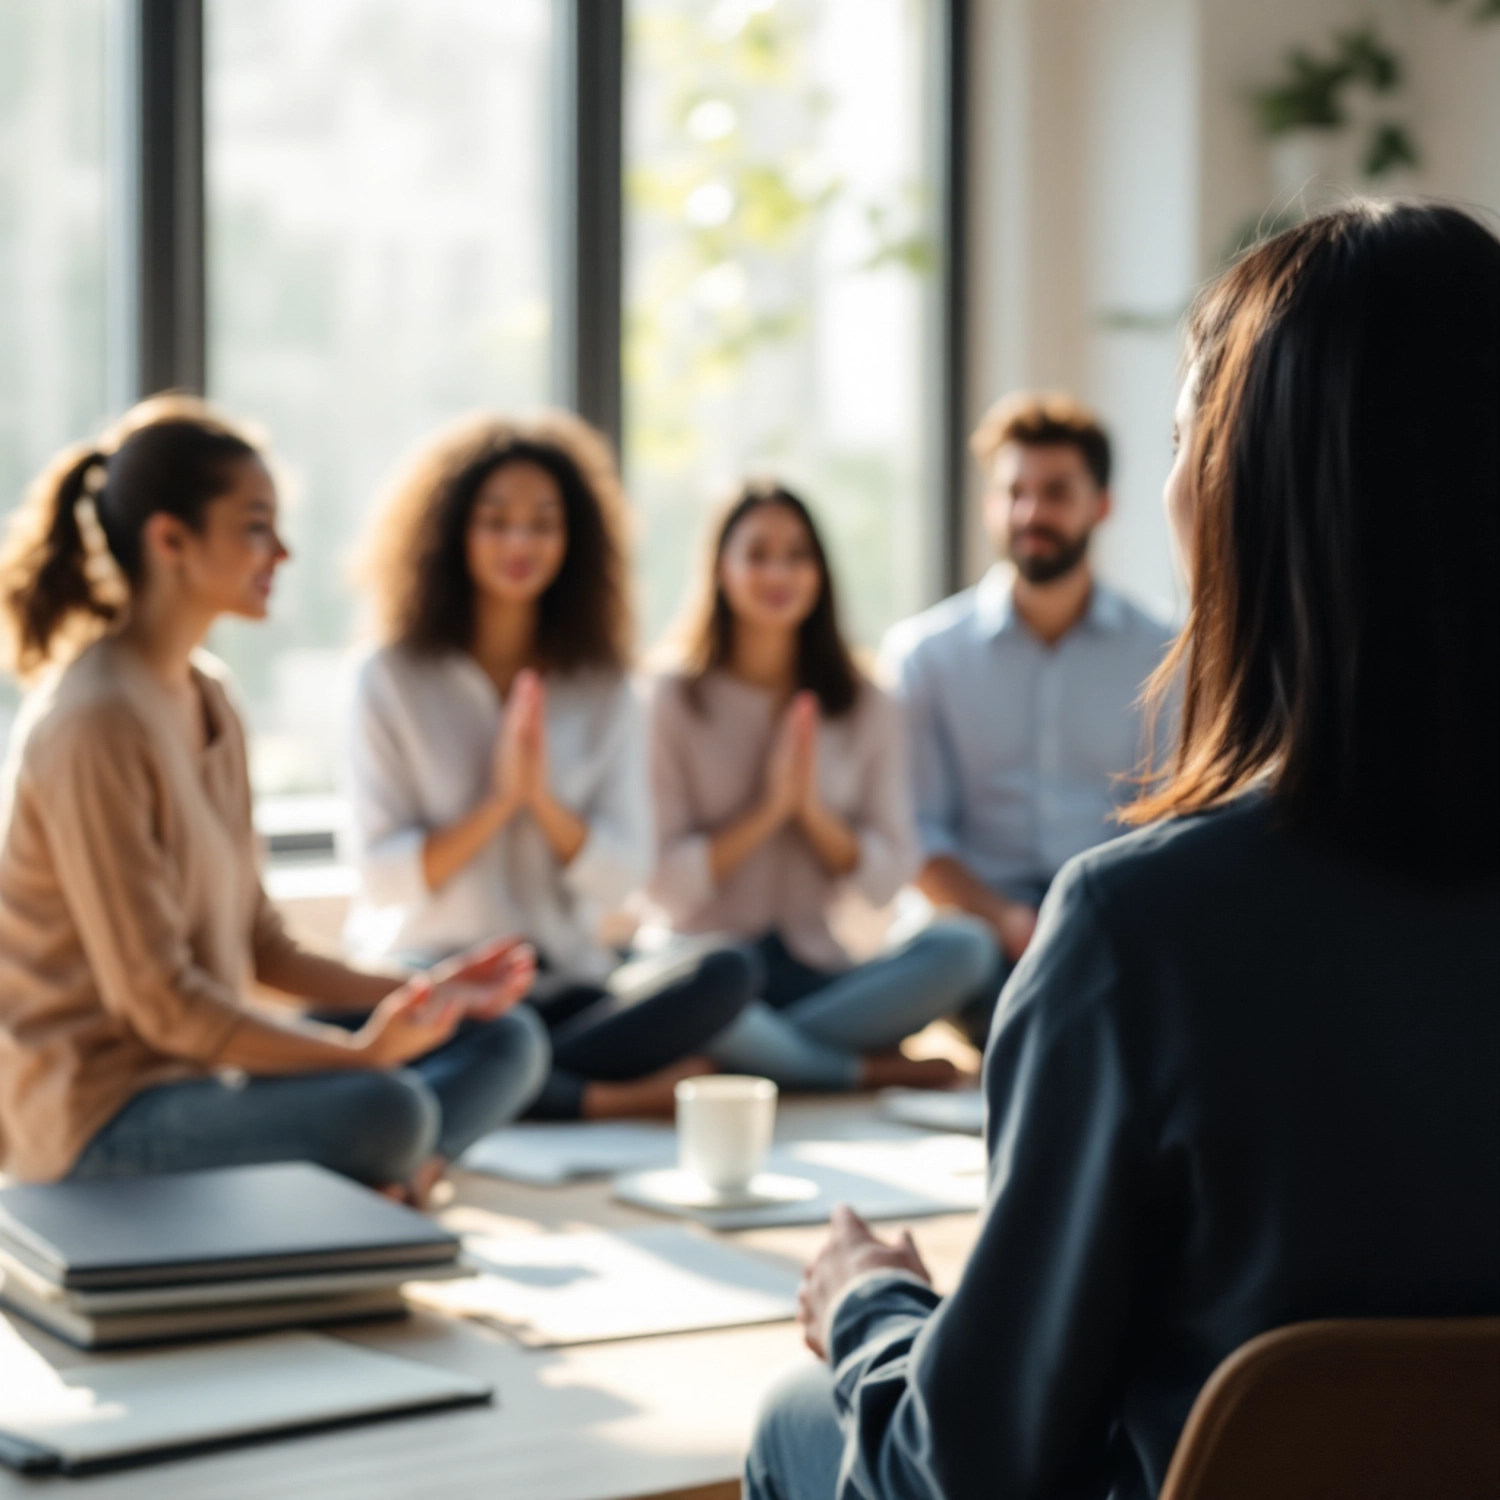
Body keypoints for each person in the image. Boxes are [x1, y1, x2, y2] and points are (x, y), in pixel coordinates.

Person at [747, 199, 1500, 1500]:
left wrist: (869, 1305)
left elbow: (960, 1475)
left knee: (799, 1416)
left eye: (1181, 438)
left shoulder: (1139, 934)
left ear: (1244, 493)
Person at [0, 397, 548, 1201]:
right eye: (256, 527)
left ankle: (395, 1175)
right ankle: (391, 1167)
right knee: (387, 1109)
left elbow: (263, 946)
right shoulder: (94, 721)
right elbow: (160, 1006)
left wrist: (428, 991)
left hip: (204, 1076)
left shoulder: (209, 695)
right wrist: (360, 1056)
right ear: (170, 540)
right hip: (99, 1119)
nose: (282, 551)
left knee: (505, 1037)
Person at [344, 410, 754, 1120]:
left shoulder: (605, 685)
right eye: (496, 521)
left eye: (542, 523)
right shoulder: (387, 676)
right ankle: (596, 1096)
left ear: (575, 540)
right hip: (434, 976)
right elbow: (382, 876)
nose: (520, 542)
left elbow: (625, 875)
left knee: (726, 973)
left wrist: (540, 803)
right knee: (390, 1023)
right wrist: (497, 804)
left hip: (564, 983)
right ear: (450, 531)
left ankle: (514, 1081)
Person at [643, 482, 997, 1092]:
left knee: (967, 947)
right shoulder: (669, 698)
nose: (779, 573)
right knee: (675, 1002)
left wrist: (809, 813)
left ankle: (768, 1057)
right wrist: (767, 810)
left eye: (797, 555)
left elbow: (889, 877)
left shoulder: (867, 700)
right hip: (706, 969)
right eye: (758, 555)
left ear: (821, 573)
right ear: (720, 569)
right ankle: (855, 1070)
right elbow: (662, 887)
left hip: (823, 973)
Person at [881, 392, 1175, 1044]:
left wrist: (1086, 922)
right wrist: (1010, 922)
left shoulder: (1163, 649)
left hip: (1110, 926)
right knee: (967, 964)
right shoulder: (925, 655)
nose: (1030, 512)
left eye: (1056, 492)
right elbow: (915, 833)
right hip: (977, 936)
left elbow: (1170, 817)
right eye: (1014, 492)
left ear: (1102, 504)